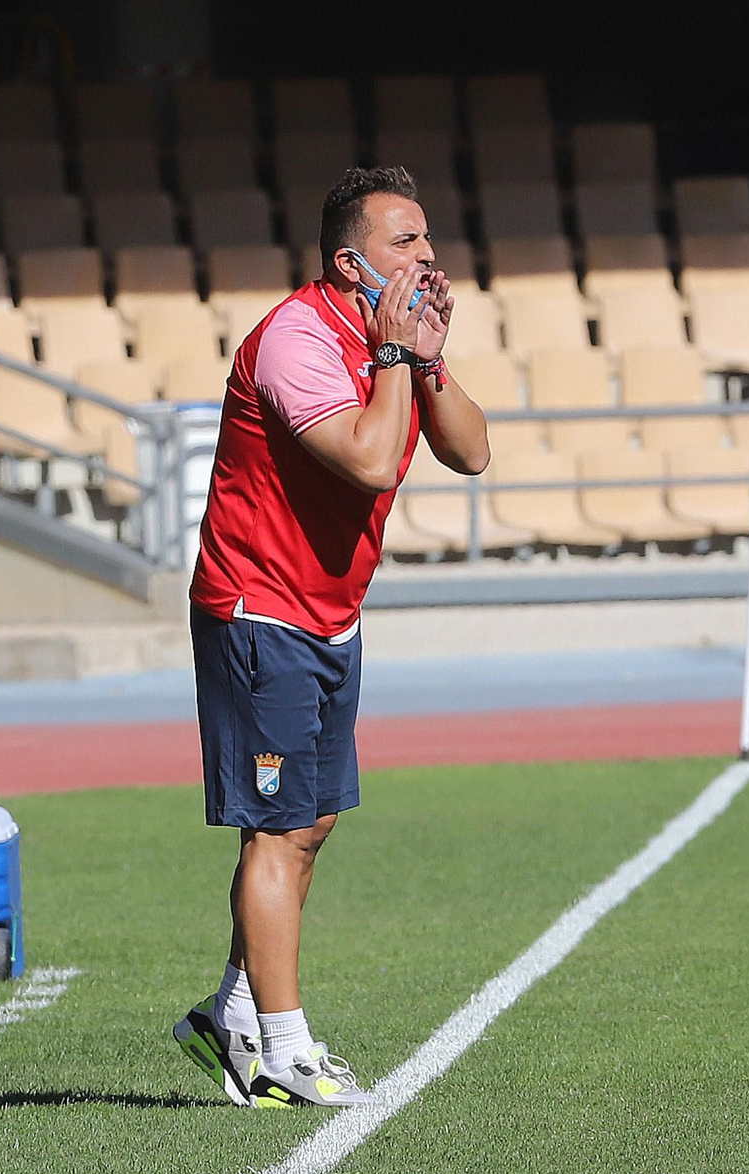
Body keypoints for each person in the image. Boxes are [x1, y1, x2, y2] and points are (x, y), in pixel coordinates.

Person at [174, 167, 490, 1108]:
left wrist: (425, 361)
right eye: (405, 241)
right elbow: (366, 458)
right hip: (257, 609)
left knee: (311, 823)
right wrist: (397, 360)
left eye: (428, 237)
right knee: (276, 830)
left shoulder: (387, 340)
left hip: (329, 614)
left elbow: (470, 449)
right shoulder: (296, 339)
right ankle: (280, 1047)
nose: (426, 255)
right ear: (349, 259)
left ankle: (231, 1010)